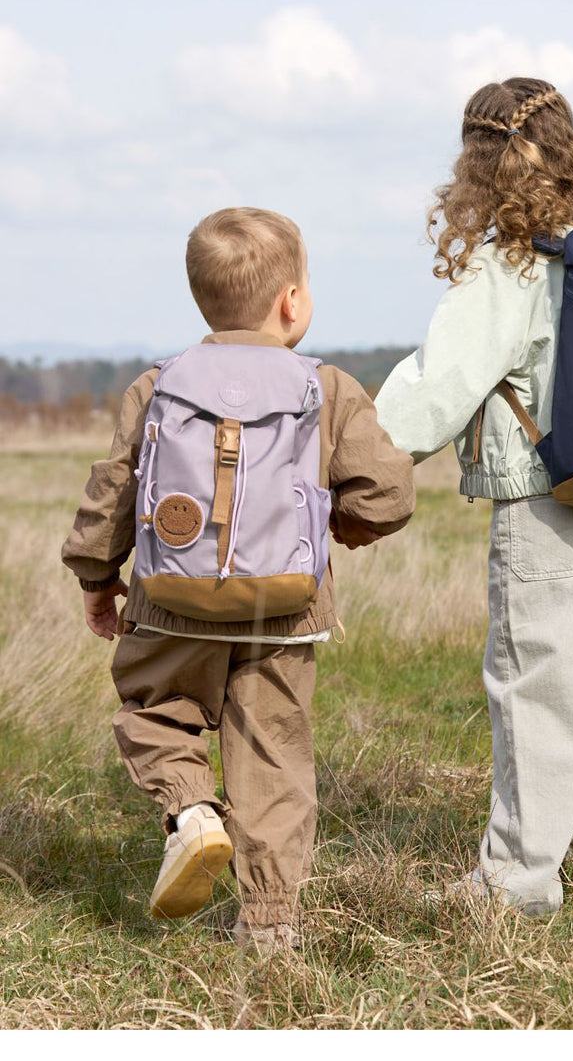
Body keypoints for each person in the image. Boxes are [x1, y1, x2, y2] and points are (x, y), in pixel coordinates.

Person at [62, 207, 415, 949]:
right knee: (274, 752)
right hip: (282, 611)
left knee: (155, 712)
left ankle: (192, 812)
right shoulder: (328, 386)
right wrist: (334, 527)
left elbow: (113, 490)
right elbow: (390, 493)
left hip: (167, 602)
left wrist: (98, 576)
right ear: (293, 301)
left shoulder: (157, 384)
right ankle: (270, 922)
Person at [375, 77, 573, 917]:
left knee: (537, 680)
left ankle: (516, 882)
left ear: (478, 161)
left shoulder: (508, 266)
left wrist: (349, 453)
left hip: (542, 491)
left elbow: (438, 387)